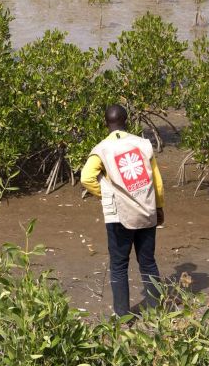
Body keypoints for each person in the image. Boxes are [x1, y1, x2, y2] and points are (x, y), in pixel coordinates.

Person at [80, 104, 164, 317]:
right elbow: (157, 181)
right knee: (148, 262)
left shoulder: (102, 149)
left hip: (119, 216)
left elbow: (86, 177)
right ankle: (156, 312)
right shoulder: (142, 144)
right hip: (146, 211)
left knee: (118, 265)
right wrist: (159, 207)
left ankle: (123, 316)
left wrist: (108, 194)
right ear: (127, 121)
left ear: (105, 123)